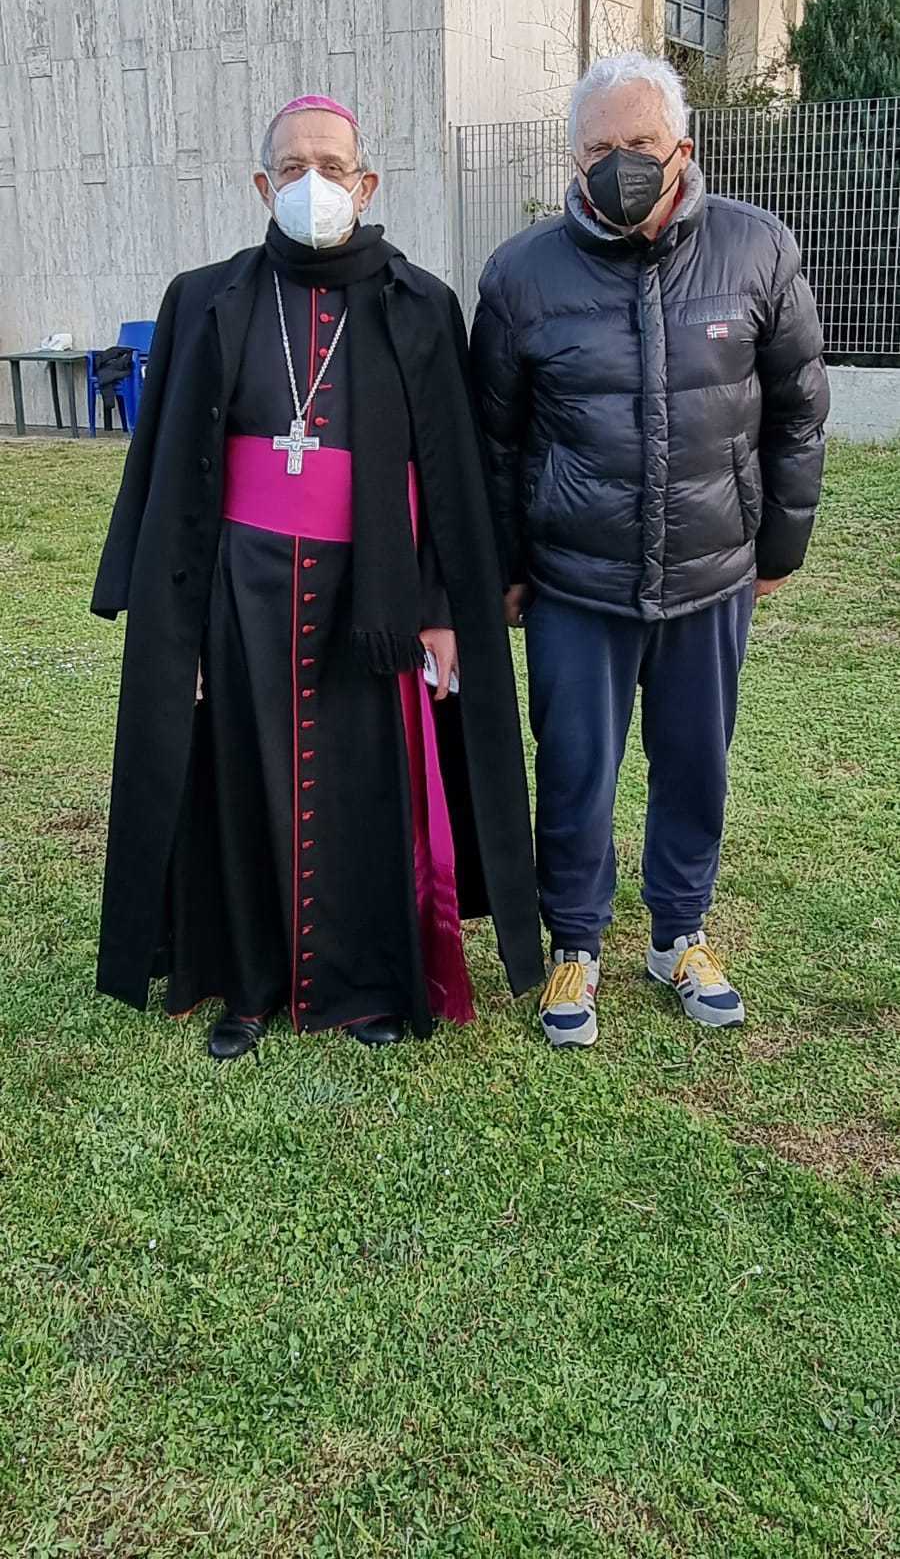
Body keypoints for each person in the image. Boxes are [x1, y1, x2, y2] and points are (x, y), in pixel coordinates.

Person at [93, 95, 542, 1059]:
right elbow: (165, 463)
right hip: (239, 590)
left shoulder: (420, 304)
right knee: (243, 780)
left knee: (368, 791)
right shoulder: (204, 298)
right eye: (293, 167)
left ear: (366, 183)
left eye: (332, 167)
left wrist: (439, 607)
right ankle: (247, 985)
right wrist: (168, 615)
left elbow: (450, 477)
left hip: (372, 594)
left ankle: (369, 985)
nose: (313, 183)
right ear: (263, 185)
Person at [471, 52, 829, 1049]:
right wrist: (506, 565)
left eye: (640, 143)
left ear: (683, 148)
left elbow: (798, 408)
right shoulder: (520, 274)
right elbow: (493, 441)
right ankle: (575, 941)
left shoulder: (757, 249)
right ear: (573, 160)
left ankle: (679, 935)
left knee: (695, 765)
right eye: (600, 147)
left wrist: (779, 544)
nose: (620, 163)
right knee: (574, 768)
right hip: (574, 582)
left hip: (711, 573)